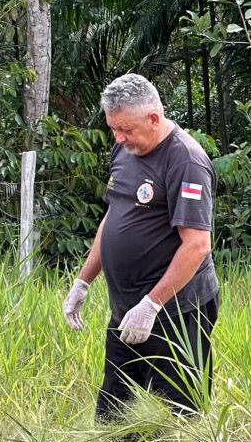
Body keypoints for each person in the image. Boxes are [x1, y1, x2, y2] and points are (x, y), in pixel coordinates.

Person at [62, 73, 219, 420]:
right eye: (113, 129)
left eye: (126, 130)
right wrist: (83, 280)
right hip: (126, 308)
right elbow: (114, 215)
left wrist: (151, 305)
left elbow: (197, 245)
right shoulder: (126, 147)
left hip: (177, 311)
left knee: (176, 415)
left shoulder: (185, 162)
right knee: (114, 412)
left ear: (153, 118)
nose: (118, 138)